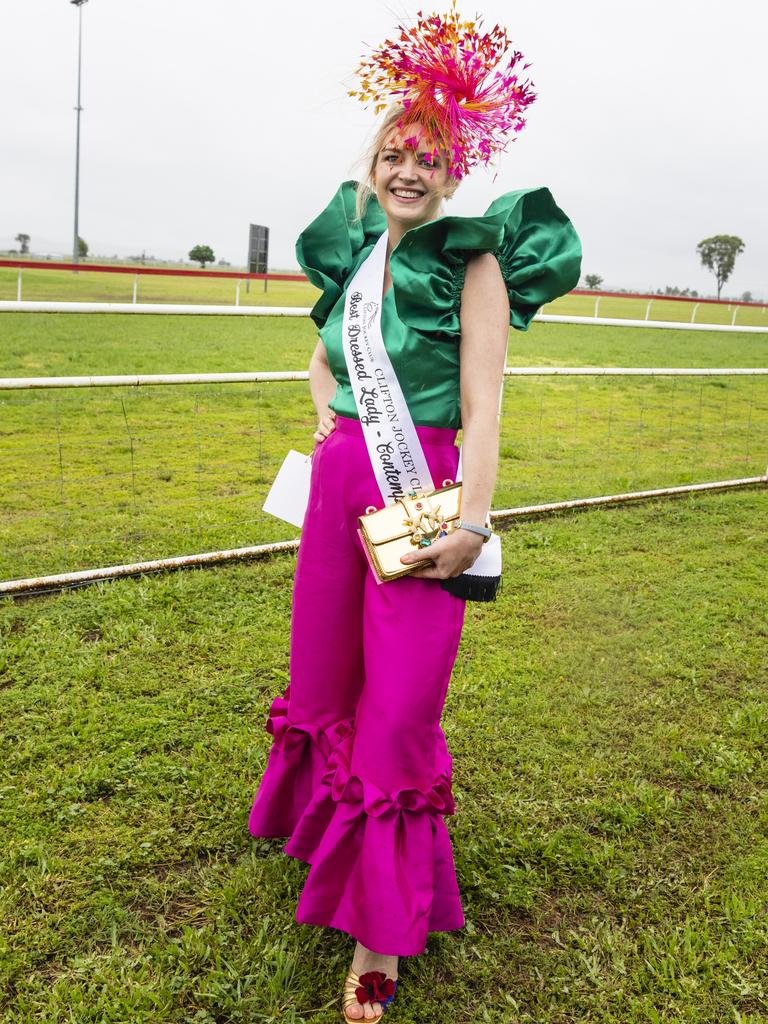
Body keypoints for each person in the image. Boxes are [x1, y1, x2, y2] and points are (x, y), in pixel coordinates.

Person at [248, 6, 582, 1020]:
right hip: (344, 482)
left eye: (428, 158)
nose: (408, 171)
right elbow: (321, 361)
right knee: (328, 673)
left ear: (453, 168)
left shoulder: (469, 262)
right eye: (395, 153)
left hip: (426, 489)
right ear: (376, 161)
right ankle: (328, 845)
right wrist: (327, 424)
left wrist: (472, 523)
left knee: (399, 701)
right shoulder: (356, 256)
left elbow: (484, 405)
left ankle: (375, 934)